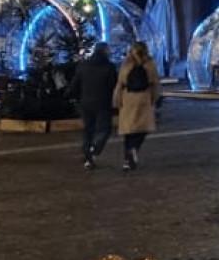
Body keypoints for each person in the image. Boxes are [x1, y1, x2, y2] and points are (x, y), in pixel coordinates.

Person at [66, 42, 118, 169]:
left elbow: (75, 84)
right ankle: (94, 148)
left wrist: (70, 95)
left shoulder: (83, 65)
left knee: (88, 129)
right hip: (103, 103)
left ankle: (87, 154)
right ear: (105, 51)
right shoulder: (109, 67)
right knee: (104, 129)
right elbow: (113, 85)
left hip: (85, 103)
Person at [113, 41, 161, 170]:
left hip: (128, 98)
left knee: (128, 131)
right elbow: (155, 83)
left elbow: (120, 83)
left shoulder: (126, 65)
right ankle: (134, 149)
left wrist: (117, 101)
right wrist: (155, 98)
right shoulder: (149, 64)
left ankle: (127, 160)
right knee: (143, 128)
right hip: (144, 98)